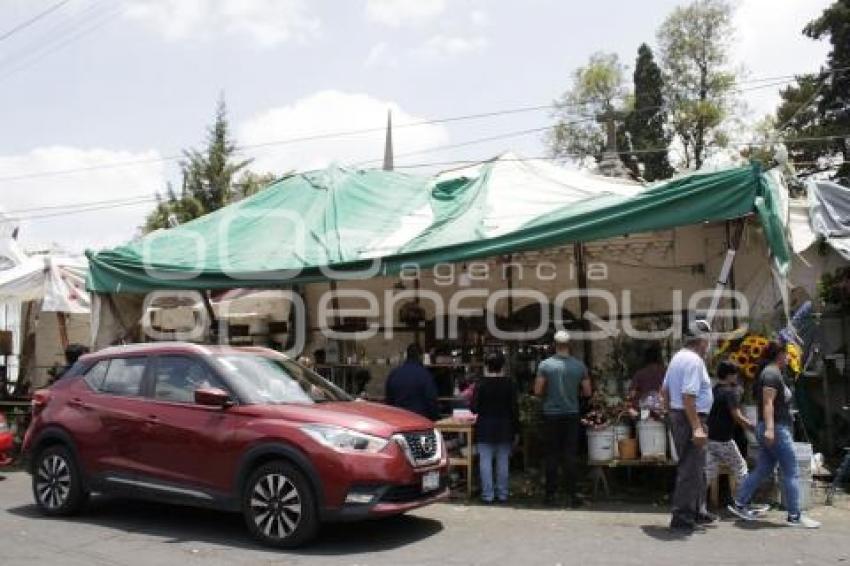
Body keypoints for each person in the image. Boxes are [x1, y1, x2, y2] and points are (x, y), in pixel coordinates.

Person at [728, 341, 821, 528]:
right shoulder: (771, 374)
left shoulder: (773, 373)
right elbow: (768, 403)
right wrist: (770, 429)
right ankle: (795, 515)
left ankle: (740, 501)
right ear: (778, 355)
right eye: (786, 354)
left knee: (764, 468)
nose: (788, 357)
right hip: (776, 429)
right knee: (791, 471)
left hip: (773, 428)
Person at [662, 319, 715, 532]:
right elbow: (688, 397)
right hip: (690, 417)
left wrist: (670, 414)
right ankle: (682, 517)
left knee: (696, 467)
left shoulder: (677, 358)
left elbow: (664, 391)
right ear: (702, 341)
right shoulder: (694, 361)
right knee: (690, 468)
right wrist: (696, 427)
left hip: (679, 415)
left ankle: (697, 511)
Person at [534, 330, 592, 507]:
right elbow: (588, 391)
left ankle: (550, 495)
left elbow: (537, 391)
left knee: (551, 455)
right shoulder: (579, 366)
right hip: (571, 414)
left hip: (551, 415)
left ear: (554, 345)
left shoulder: (545, 365)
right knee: (570, 455)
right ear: (570, 345)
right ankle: (573, 495)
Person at [471, 351, 519, 504]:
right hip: (505, 426)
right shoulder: (510, 383)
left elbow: (474, 408)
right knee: (503, 462)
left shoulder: (480, 384)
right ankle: (503, 494)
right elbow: (514, 409)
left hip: (484, 426)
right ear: (502, 366)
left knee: (485, 461)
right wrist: (516, 430)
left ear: (487, 366)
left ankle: (488, 495)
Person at [705, 361, 754, 500]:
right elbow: (736, 415)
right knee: (741, 468)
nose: (737, 377)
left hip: (710, 438)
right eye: (735, 374)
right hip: (723, 439)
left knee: (709, 472)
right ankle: (743, 502)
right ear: (730, 376)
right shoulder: (730, 393)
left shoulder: (713, 391)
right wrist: (752, 428)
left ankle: (694, 504)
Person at [385, 344, 439, 420]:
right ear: (421, 356)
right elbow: (431, 400)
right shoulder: (425, 375)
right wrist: (434, 419)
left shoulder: (394, 374)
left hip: (398, 419)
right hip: (420, 420)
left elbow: (389, 401)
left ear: (407, 355)